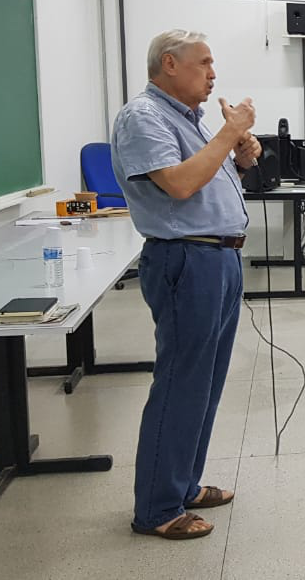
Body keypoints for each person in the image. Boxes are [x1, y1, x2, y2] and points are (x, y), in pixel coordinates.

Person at [111, 30, 260, 540]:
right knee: (180, 384)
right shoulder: (143, 117)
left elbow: (206, 180)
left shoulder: (188, 121)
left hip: (217, 258)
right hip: (186, 261)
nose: (213, 73)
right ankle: (156, 507)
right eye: (204, 63)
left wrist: (240, 155)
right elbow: (177, 184)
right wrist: (227, 133)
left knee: (206, 383)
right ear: (170, 65)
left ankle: (183, 483)